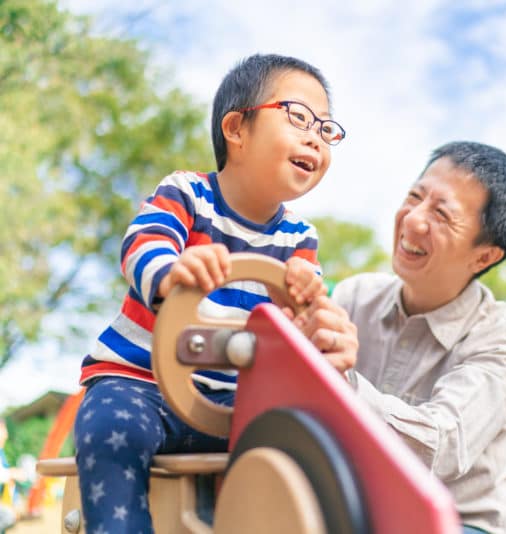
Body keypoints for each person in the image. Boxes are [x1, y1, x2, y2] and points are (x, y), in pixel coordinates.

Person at [73, 53, 347, 533]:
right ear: (237, 129)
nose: (314, 137)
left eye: (326, 129)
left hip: (233, 406)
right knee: (108, 431)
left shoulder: (300, 239)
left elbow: (300, 327)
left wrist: (303, 303)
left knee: (301, 451)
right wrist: (172, 270)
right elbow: (143, 243)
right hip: (142, 383)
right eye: (299, 117)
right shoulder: (187, 194)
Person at [290, 141, 506, 534]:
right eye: (414, 196)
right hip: (361, 510)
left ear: (484, 257)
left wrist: (336, 383)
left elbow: (438, 446)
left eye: (442, 214)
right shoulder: (355, 297)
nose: (413, 221)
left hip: (458, 524)